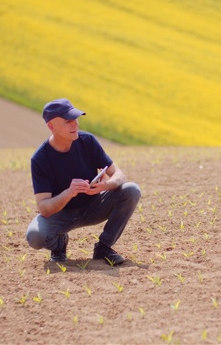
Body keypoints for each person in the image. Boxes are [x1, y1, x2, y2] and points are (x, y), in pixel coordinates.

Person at [25, 98, 141, 266]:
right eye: (68, 121)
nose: (75, 125)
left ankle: (104, 247)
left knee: (131, 190)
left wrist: (105, 185)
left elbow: (119, 175)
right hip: (61, 214)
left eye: (76, 119)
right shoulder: (40, 159)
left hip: (94, 205)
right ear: (51, 126)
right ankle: (59, 245)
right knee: (35, 236)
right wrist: (69, 193)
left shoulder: (88, 141)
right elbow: (43, 207)